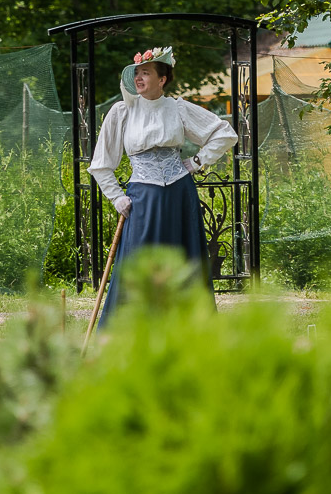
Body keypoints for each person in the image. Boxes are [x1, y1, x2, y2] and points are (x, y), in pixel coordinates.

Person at [87, 45, 239, 325]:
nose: (139, 79)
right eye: (137, 74)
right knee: (139, 260)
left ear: (162, 79)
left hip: (180, 195)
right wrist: (117, 197)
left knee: (184, 259)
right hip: (143, 198)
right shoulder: (122, 112)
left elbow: (224, 133)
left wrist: (196, 162)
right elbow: (100, 164)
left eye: (146, 73)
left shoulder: (178, 108)